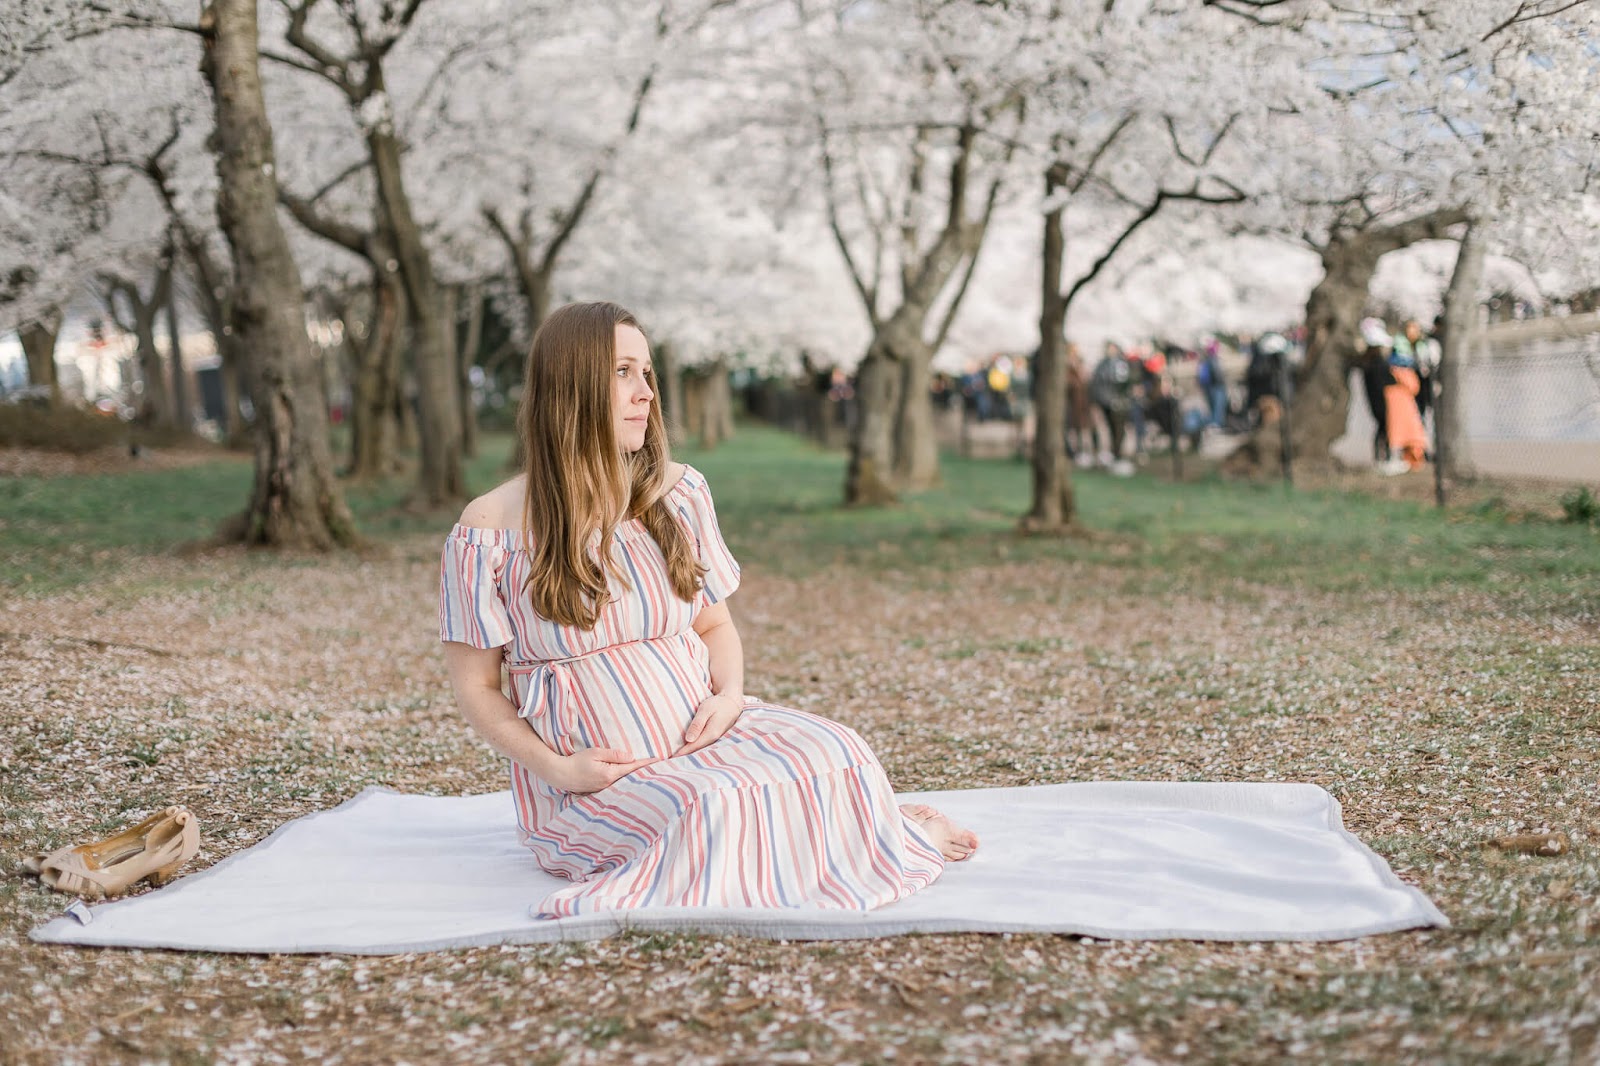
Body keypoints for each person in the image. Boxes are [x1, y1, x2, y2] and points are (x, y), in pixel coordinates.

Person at [440, 301, 977, 919]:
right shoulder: (490, 527)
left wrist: (728, 698)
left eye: (647, 374)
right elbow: (478, 686)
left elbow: (714, 625)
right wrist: (558, 770)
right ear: (570, 385)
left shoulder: (677, 494)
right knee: (716, 805)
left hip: (708, 734)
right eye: (622, 372)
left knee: (840, 750)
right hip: (594, 784)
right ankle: (865, 837)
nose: (645, 393)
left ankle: (894, 838)